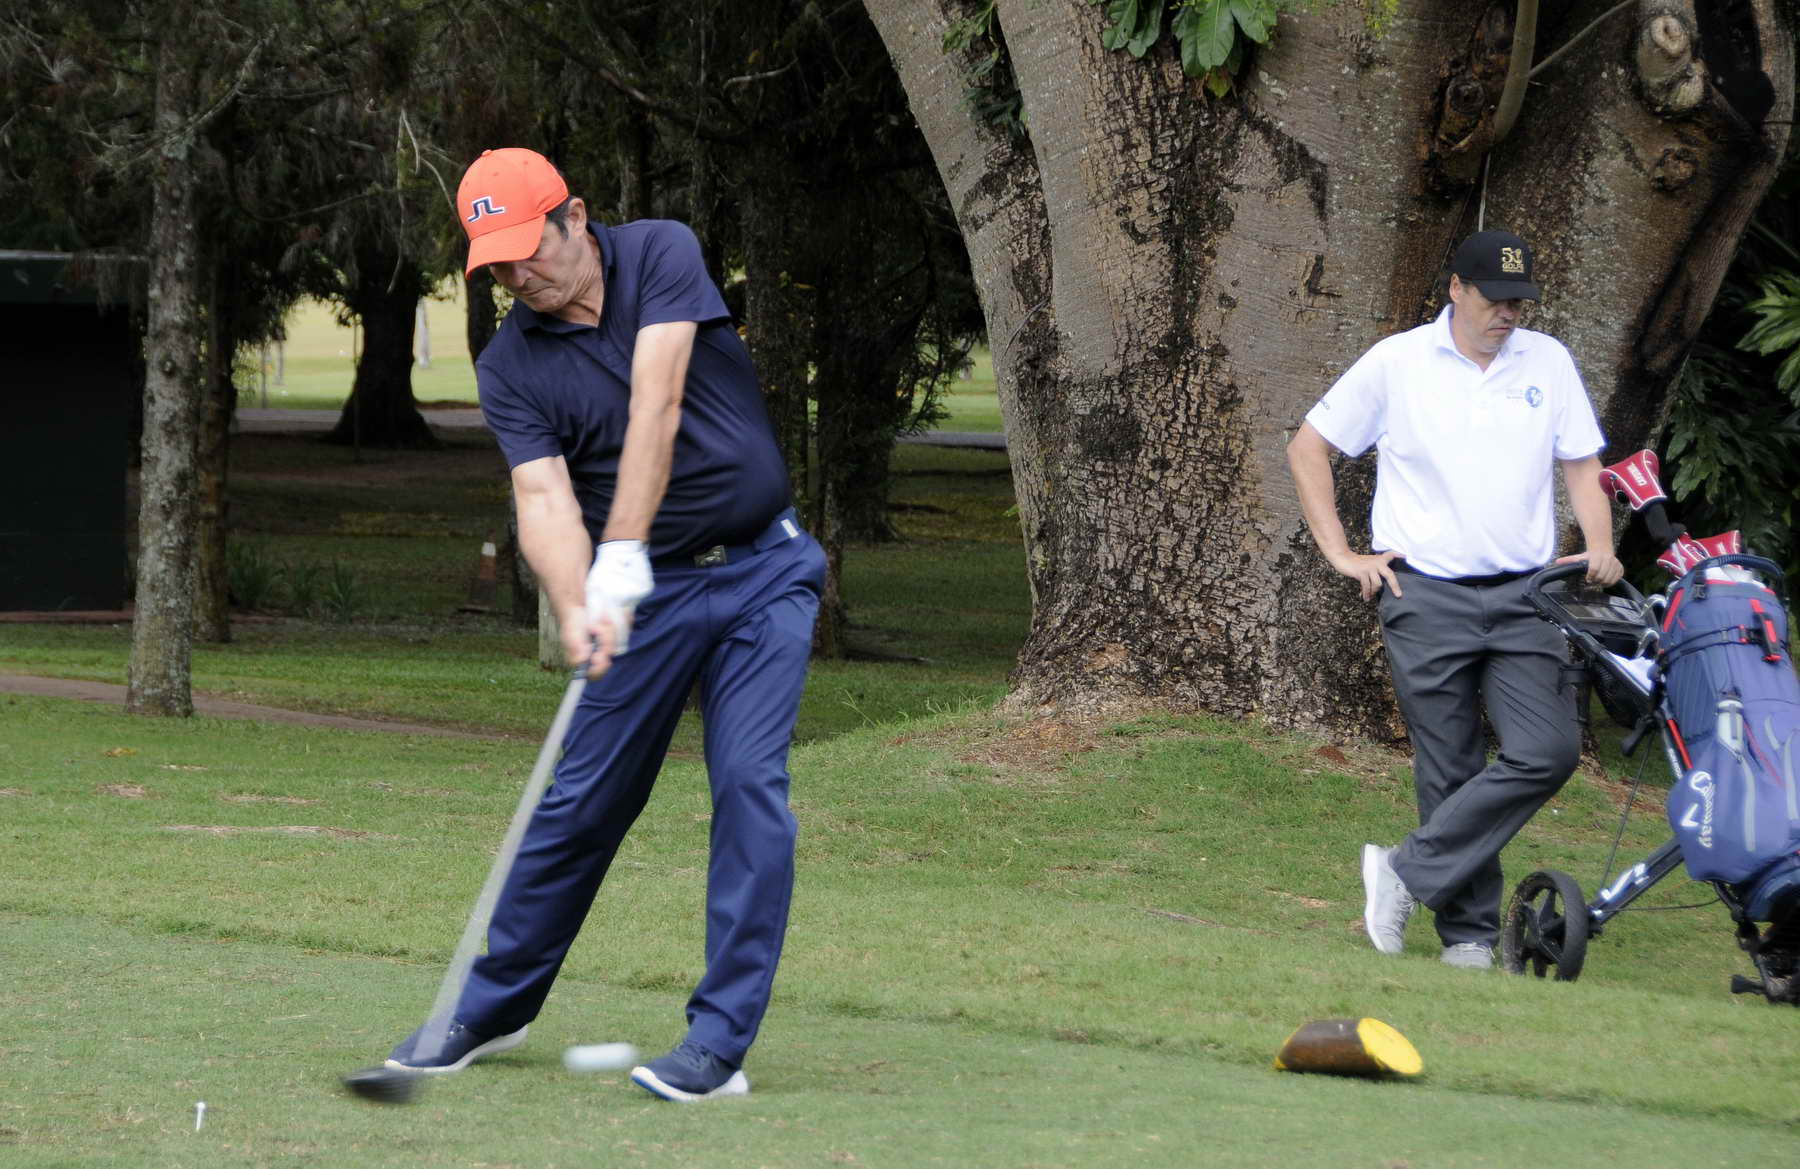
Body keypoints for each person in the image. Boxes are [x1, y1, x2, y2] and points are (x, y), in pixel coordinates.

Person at [384, 147, 825, 1100]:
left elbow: (657, 400)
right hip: (644, 600)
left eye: (527, 248)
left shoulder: (661, 252)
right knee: (579, 802)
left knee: (749, 785)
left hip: (762, 571)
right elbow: (543, 498)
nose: (517, 274)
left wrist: (619, 545)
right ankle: (489, 1008)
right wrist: (578, 599)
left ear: (575, 217)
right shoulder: (510, 364)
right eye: (496, 263)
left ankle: (716, 1043)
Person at [1285, 229, 1623, 969]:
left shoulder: (1547, 361)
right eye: (1495, 299)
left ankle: (1403, 871)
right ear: (1457, 290)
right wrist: (1342, 554)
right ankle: (1467, 937)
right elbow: (1309, 445)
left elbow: (1582, 462)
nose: (1508, 314)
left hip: (1526, 596)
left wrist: (1600, 541)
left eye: (1519, 302)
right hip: (1425, 594)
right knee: (1449, 763)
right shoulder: (1398, 361)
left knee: (1548, 750)